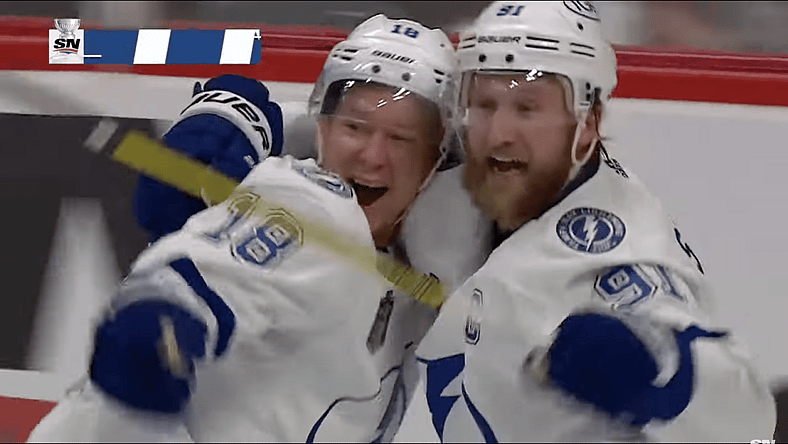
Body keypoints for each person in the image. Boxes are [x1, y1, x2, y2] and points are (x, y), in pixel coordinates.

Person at [28, 14, 458, 442]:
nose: (373, 156)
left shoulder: (438, 254)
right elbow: (204, 286)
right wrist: (165, 317)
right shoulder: (313, 205)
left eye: (401, 138)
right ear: (323, 128)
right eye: (355, 127)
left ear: (434, 159)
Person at [411, 1, 777, 442]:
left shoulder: (615, 263)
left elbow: (745, 419)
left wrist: (659, 368)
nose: (498, 133)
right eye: (485, 104)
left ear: (587, 125)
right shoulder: (465, 189)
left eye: (527, 109)